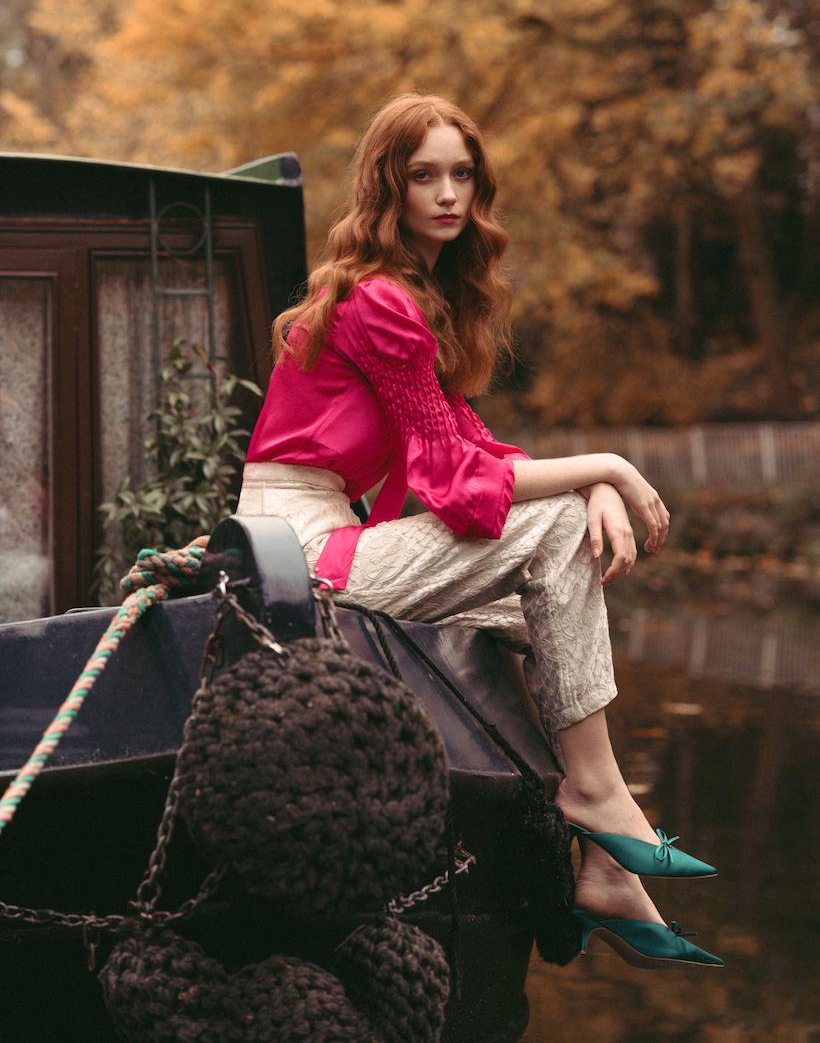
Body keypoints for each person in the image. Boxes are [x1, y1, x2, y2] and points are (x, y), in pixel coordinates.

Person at [235, 93, 723, 970]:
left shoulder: (420, 299)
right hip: (297, 548)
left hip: (328, 533)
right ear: (389, 186)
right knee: (556, 532)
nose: (447, 193)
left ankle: (604, 861)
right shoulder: (380, 299)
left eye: (462, 174)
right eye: (424, 175)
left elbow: (476, 448)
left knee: (549, 592)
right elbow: (458, 486)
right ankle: (598, 798)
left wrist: (592, 483)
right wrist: (606, 467)